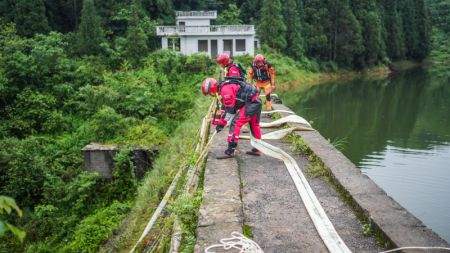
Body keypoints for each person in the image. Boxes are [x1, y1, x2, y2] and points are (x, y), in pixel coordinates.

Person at [201, 75, 262, 158]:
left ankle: (231, 150)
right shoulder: (224, 87)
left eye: (210, 93)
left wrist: (221, 123)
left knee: (236, 122)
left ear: (212, 89)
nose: (211, 95)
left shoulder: (225, 90)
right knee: (254, 124)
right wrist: (222, 122)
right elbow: (232, 108)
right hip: (255, 101)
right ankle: (257, 148)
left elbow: (229, 111)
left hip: (252, 103)